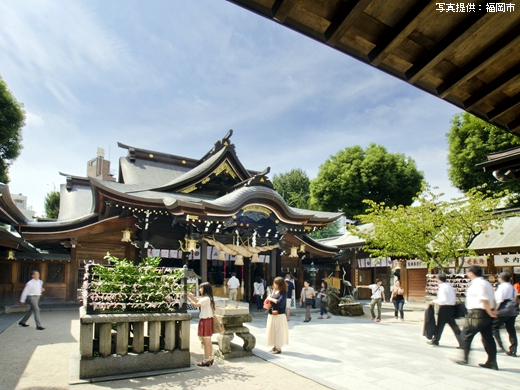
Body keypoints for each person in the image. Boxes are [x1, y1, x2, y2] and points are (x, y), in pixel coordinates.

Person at [456, 265, 498, 370]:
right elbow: (493, 299)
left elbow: (484, 299)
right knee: (488, 338)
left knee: (466, 333)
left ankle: (464, 358)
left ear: (472, 273)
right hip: (486, 313)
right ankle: (492, 361)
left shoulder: (477, 284)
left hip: (476, 312)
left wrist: (490, 311)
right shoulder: (487, 283)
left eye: (468, 272)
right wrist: (493, 310)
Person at [427, 274, 461, 347]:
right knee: (454, 327)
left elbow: (443, 300)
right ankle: (462, 342)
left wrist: (434, 301)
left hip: (444, 308)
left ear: (439, 279)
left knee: (439, 326)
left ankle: (435, 340)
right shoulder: (450, 287)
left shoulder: (442, 287)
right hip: (451, 308)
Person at [188, 282, 216, 367]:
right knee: (208, 341)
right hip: (208, 320)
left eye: (201, 288)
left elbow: (196, 305)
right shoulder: (208, 298)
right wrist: (191, 296)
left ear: (205, 289)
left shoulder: (206, 299)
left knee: (206, 342)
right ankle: (210, 357)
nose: (199, 290)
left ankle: (206, 359)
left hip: (205, 320)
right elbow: (198, 301)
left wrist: (189, 299)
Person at [492, 272, 517, 357]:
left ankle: (500, 346)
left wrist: (495, 310)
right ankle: (513, 349)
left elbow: (499, 300)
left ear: (501, 279)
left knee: (494, 327)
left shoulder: (502, 287)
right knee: (511, 329)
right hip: (512, 310)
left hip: (503, 310)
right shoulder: (513, 287)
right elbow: (514, 298)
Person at [265, 276, 289, 354]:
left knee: (278, 331)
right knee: (272, 331)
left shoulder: (283, 292)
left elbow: (280, 302)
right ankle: (275, 346)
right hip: (272, 313)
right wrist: (269, 298)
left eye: (276, 283)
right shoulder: (274, 290)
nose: (274, 285)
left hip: (279, 314)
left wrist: (270, 299)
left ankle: (278, 348)